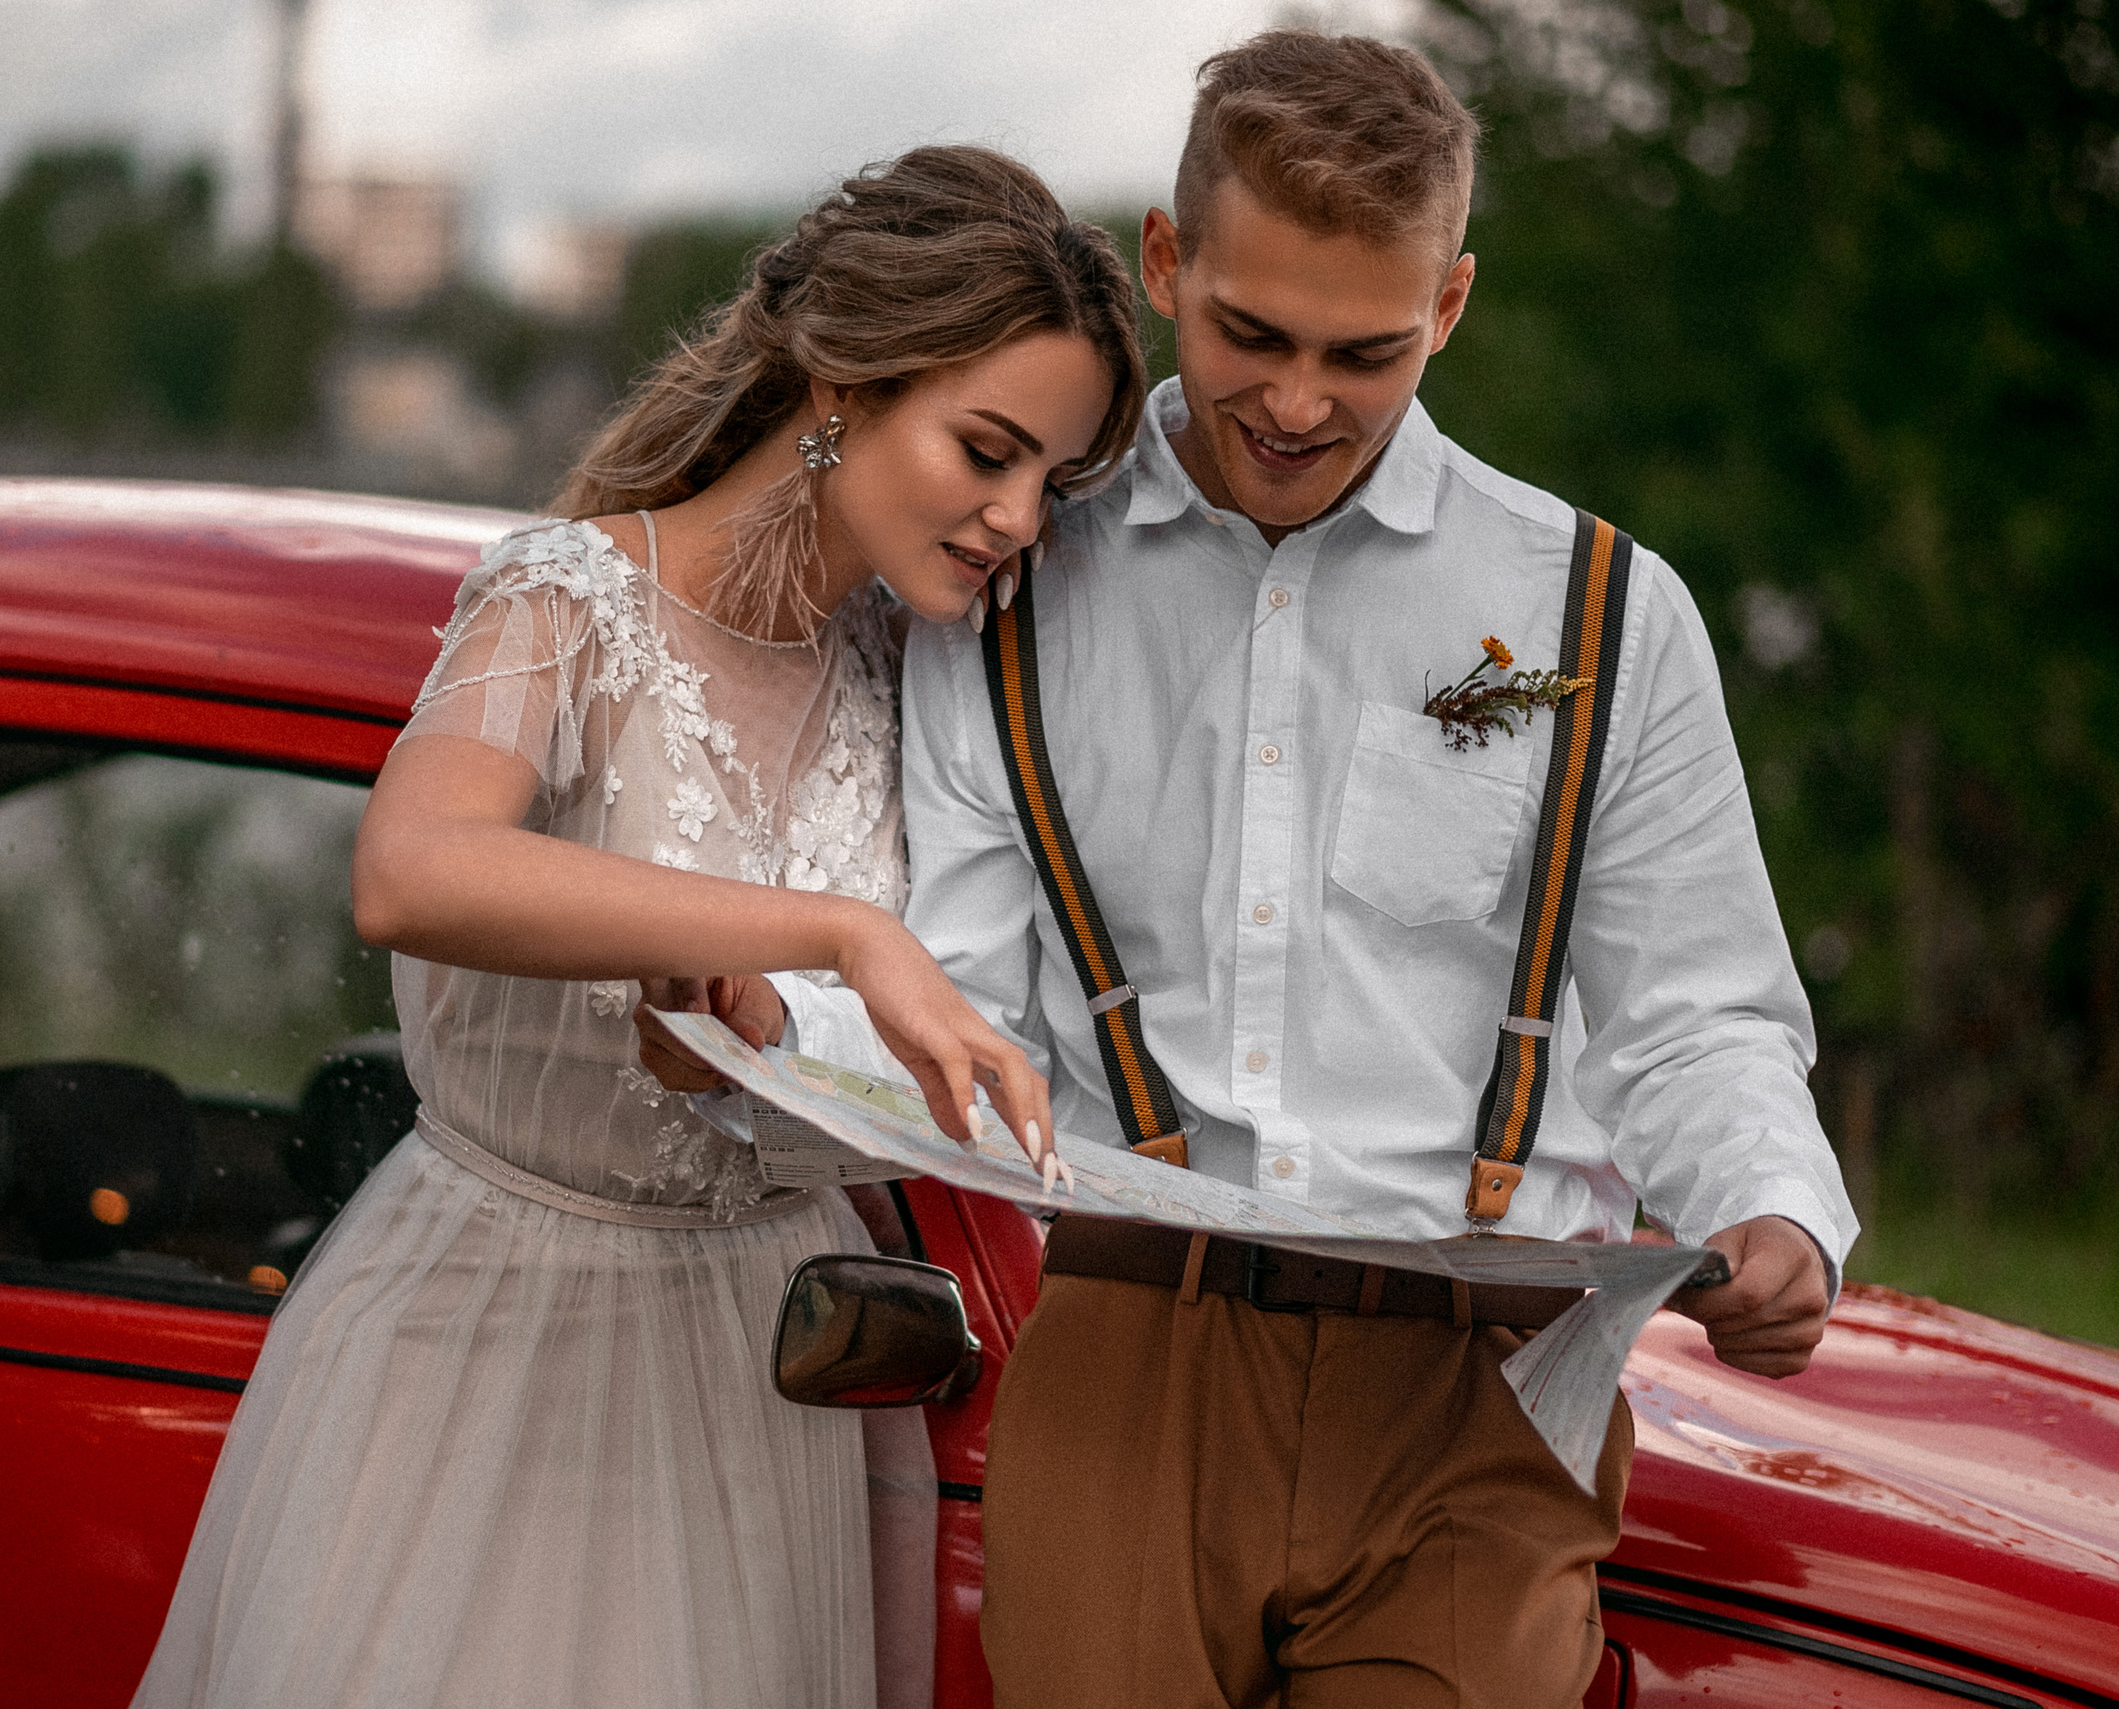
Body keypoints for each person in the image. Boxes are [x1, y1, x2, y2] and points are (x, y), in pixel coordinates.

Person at [646, 30, 1859, 1709]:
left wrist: (1770, 1204)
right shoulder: (1015, 581)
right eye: (1249, 334)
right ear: (1166, 260)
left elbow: (1699, 1007)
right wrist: (768, 1028)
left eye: (1363, 351)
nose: (1297, 403)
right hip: (1133, 1346)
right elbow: (964, 991)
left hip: (1482, 1388)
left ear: (1450, 304)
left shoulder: (1601, 612)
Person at [128, 144, 1138, 1709]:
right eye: (988, 449)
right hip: (488, 1338)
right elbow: (411, 868)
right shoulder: (567, 596)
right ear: (840, 380)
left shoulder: (918, 674)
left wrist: (769, 1032)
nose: (1017, 518)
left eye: (1050, 482)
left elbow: (930, 1052)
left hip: (764, 1377)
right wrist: (839, 935)